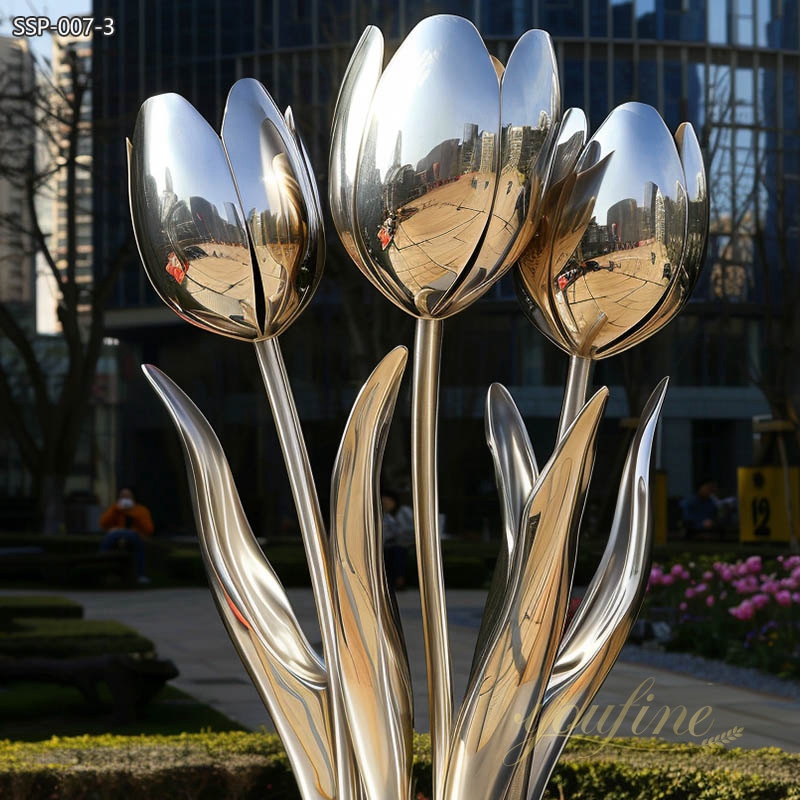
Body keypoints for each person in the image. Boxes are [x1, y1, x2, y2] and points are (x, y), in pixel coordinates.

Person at [100, 488, 154, 584]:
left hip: (136, 537)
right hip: (116, 537)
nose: (125, 498)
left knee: (129, 535)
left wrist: (132, 513)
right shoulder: (116, 509)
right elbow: (103, 524)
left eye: (128, 496)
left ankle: (140, 575)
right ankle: (103, 570)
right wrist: (115, 509)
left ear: (133, 498)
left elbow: (149, 529)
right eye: (123, 496)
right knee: (112, 535)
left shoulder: (141, 510)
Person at [382, 490, 414, 591]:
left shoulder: (403, 512)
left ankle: (400, 580)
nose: (386, 505)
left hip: (403, 543)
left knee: (397, 552)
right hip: (387, 544)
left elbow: (411, 528)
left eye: (387, 502)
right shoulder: (383, 515)